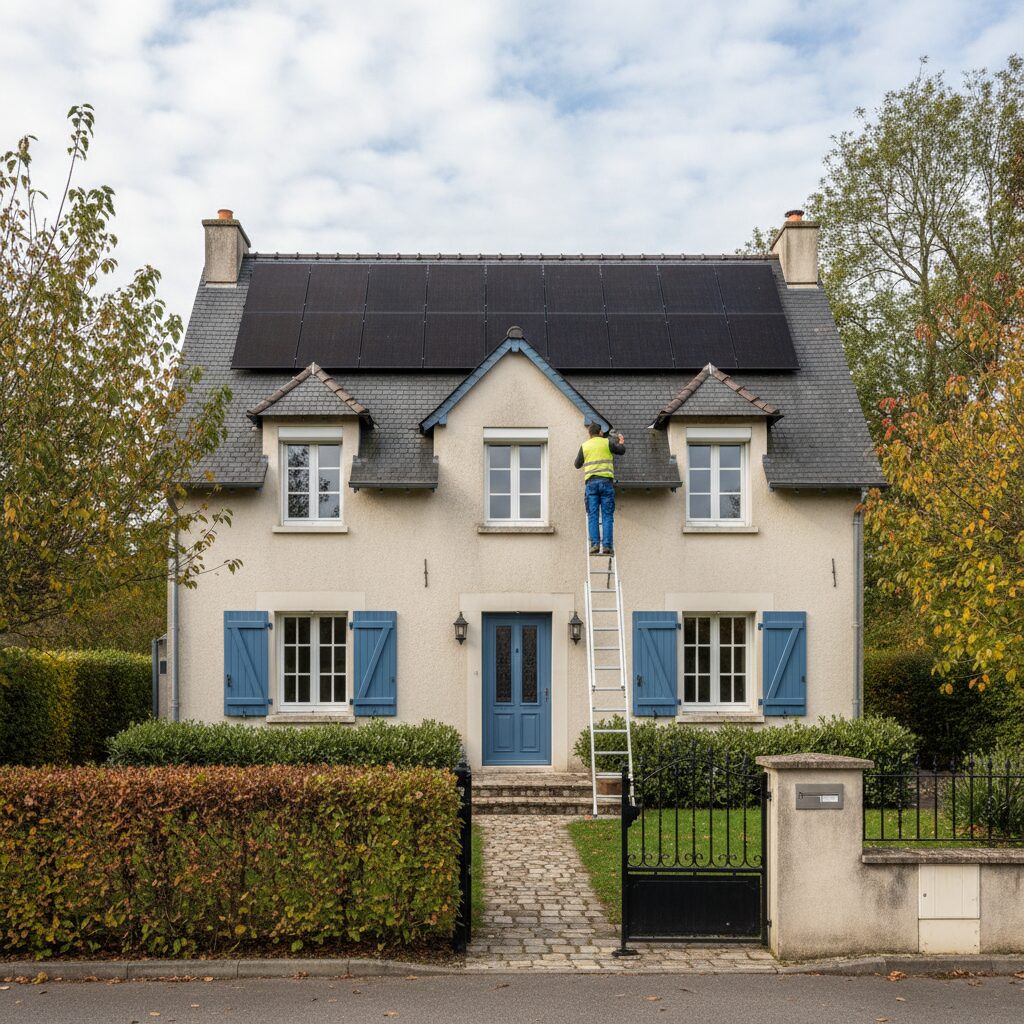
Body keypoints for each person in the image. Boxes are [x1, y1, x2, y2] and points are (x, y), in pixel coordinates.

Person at [574, 422, 626, 555]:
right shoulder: (606, 442)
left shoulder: (585, 446)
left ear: (589, 434)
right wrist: (621, 441)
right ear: (601, 433)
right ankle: (607, 546)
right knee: (607, 516)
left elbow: (577, 464)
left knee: (593, 515)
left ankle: (595, 545)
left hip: (591, 485)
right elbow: (621, 451)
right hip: (606, 483)